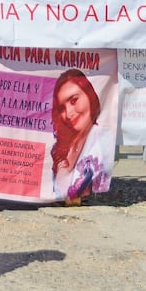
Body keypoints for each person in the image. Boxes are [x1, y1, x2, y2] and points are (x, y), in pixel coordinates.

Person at [50, 68, 115, 201]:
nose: (68, 114)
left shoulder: (101, 138)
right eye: (62, 108)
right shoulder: (63, 145)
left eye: (74, 101)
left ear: (89, 95)